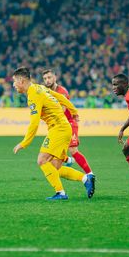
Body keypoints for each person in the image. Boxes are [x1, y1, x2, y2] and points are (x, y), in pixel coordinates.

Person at [12, 67, 95, 200]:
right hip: (63, 128)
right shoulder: (39, 87)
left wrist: (24, 143)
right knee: (54, 167)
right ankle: (86, 178)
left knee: (42, 160)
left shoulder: (33, 94)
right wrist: (73, 111)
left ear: (21, 80)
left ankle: (61, 193)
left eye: (14, 81)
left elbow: (34, 123)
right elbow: (60, 98)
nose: (13, 85)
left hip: (59, 129)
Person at [42, 69, 95, 177]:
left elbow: (62, 110)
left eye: (49, 77)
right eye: (45, 78)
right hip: (58, 126)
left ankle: (90, 174)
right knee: (52, 161)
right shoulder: (46, 92)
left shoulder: (62, 92)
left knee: (73, 150)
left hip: (69, 124)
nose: (47, 80)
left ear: (55, 78)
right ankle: (68, 160)